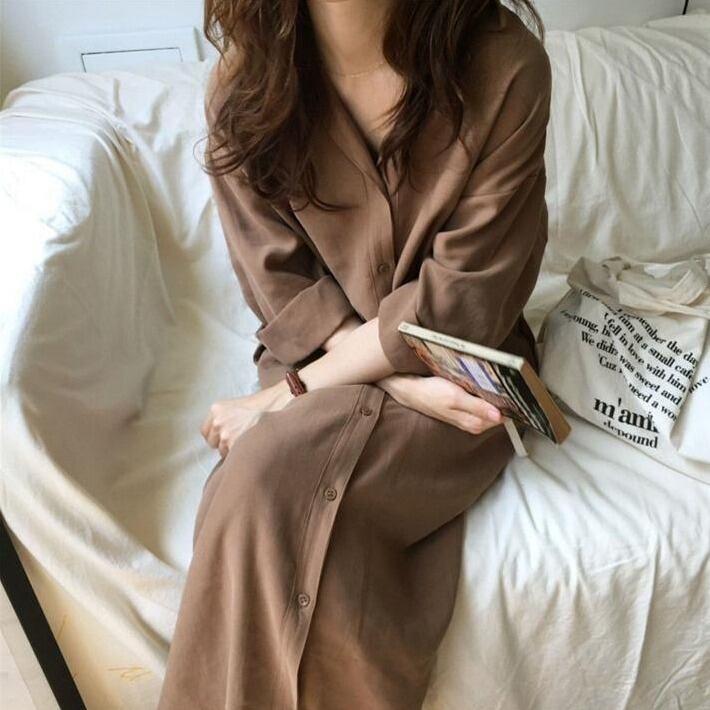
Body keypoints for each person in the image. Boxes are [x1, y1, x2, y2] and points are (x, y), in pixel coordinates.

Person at [157, 0, 551, 707]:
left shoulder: (504, 65)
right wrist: (391, 382)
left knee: (259, 483)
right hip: (338, 361)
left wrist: (288, 395)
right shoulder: (245, 83)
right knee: (260, 491)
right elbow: (281, 286)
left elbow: (462, 303)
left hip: (460, 377)